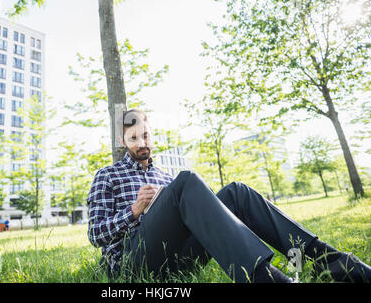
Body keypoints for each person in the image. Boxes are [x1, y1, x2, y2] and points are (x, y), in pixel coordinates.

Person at [87, 109, 371, 283]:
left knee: (236, 192)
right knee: (187, 180)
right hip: (132, 264)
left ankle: (335, 263)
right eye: (134, 138)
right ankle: (265, 279)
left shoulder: (165, 178)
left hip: (177, 262)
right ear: (123, 142)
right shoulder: (107, 175)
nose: (142, 143)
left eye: (146, 135)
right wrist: (135, 211)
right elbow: (95, 234)